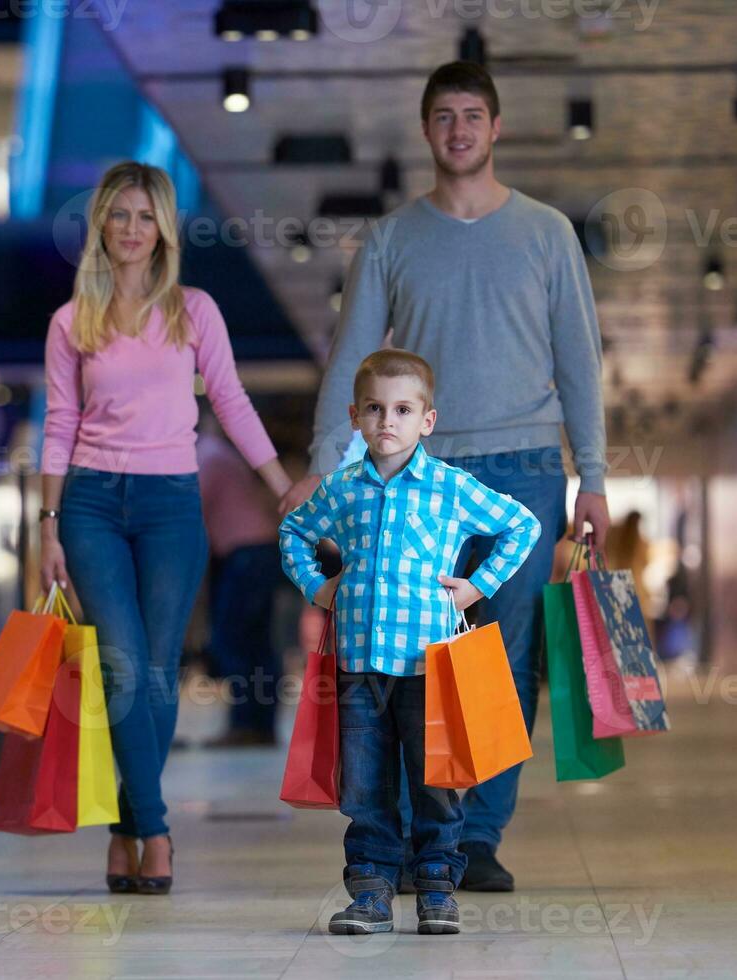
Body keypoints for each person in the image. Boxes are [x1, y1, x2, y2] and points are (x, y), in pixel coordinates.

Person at [278, 60, 610, 893]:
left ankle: (476, 837)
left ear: (494, 128)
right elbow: (351, 356)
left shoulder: (545, 234)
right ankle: (408, 835)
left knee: (503, 657)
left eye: (472, 115)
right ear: (426, 132)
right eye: (442, 117)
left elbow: (579, 362)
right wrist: (324, 465)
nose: (458, 129)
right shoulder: (390, 238)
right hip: (414, 476)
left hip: (527, 468)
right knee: (405, 656)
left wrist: (593, 477)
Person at [38, 161, 291, 896]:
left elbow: (234, 402)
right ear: (99, 226)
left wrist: (280, 486)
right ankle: (155, 830)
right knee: (121, 663)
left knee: (154, 668)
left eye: (145, 216)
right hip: (88, 506)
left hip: (170, 505)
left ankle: (125, 828)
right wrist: (48, 525)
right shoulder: (70, 322)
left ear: (164, 229)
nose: (130, 229)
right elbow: (59, 424)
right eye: (118, 215)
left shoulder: (192, 310)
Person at [281, 350, 540, 935]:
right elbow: (293, 530)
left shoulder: (450, 488)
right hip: (359, 668)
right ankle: (371, 892)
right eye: (374, 409)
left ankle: (436, 887)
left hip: (431, 668)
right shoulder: (342, 489)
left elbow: (522, 524)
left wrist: (478, 585)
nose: (386, 421)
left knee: (436, 782)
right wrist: (318, 588)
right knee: (366, 786)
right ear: (355, 416)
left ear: (427, 420)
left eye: (402, 409)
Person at [197, 422, 284, 747]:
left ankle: (246, 724)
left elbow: (194, 513)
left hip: (244, 554)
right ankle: (261, 726)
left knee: (233, 640)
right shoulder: (219, 452)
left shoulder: (207, 456)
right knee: (257, 643)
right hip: (259, 551)